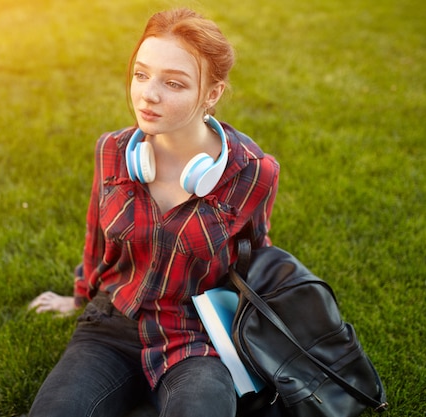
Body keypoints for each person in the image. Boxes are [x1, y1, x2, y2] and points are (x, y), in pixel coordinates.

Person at [28, 8, 279, 417]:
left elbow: (257, 254)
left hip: (198, 339)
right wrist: (78, 298)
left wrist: (260, 332)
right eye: (141, 74)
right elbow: (96, 237)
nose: (148, 94)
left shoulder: (252, 172)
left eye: (174, 83)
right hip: (112, 324)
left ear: (212, 94)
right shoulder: (112, 151)